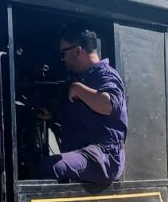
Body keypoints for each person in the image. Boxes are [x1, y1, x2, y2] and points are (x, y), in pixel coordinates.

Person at [36, 30, 127, 185]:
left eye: (63, 53)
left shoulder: (106, 75)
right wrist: (52, 114)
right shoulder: (81, 78)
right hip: (83, 153)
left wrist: (79, 89)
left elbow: (108, 105)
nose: (62, 59)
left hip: (103, 156)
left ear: (78, 51)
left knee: (51, 168)